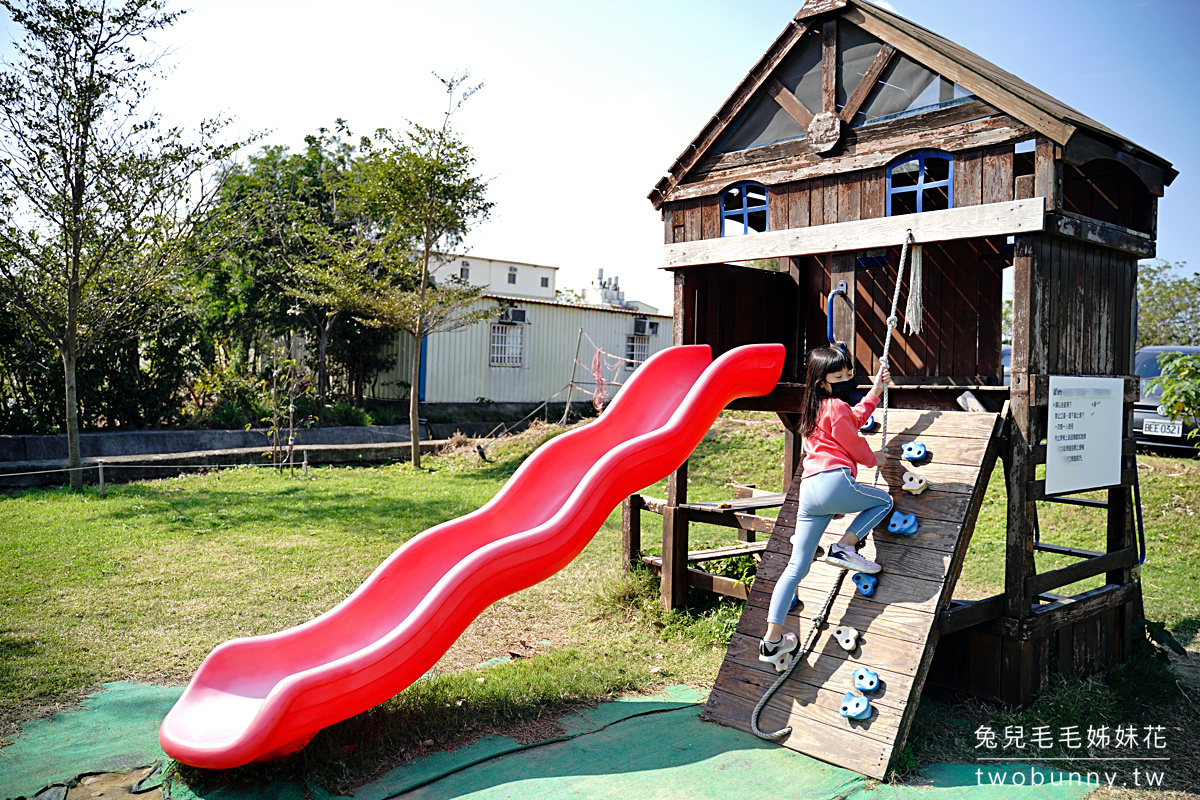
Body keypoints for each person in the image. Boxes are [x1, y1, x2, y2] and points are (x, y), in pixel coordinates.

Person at [758, 346, 894, 670]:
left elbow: (854, 419)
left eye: (849, 374)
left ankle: (771, 640)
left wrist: (875, 391)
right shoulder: (835, 405)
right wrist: (877, 458)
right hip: (835, 482)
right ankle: (844, 547)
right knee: (884, 502)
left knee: (796, 568)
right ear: (823, 381)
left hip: (809, 491)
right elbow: (855, 444)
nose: (848, 379)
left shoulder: (813, 408)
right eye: (840, 376)